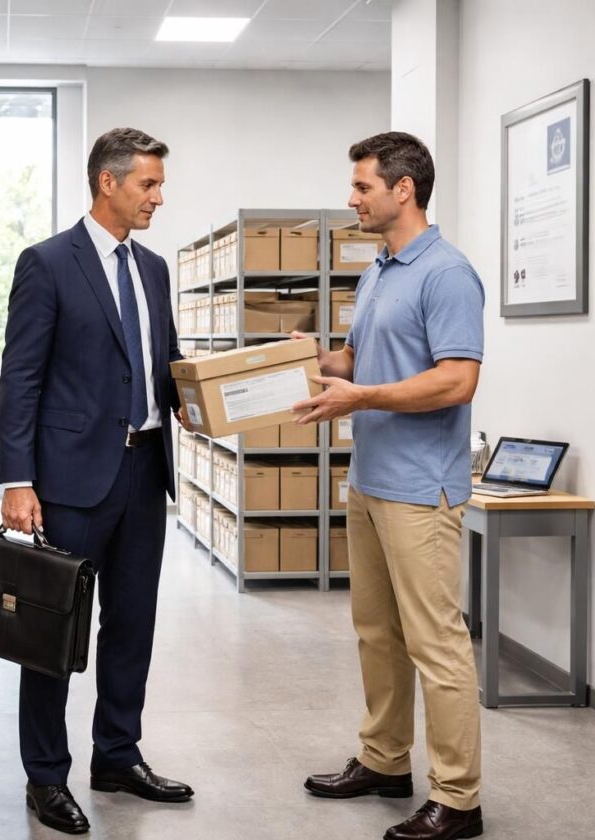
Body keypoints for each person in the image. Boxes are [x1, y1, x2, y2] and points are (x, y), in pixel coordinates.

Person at [0, 127, 193, 835]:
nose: (158, 197)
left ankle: (116, 753)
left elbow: (162, 361)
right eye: (149, 184)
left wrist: (199, 399)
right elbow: (19, 377)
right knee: (52, 633)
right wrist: (18, 479)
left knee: (132, 624)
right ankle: (46, 776)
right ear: (107, 182)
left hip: (145, 472)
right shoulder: (48, 263)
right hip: (70, 478)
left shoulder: (154, 268)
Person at [293, 132, 485, 840]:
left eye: (363, 187)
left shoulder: (447, 273)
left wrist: (361, 397)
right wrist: (307, 361)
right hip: (370, 483)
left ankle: (459, 800)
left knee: (436, 644)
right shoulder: (378, 270)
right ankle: (384, 759)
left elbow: (458, 378)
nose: (353, 199)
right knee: (376, 633)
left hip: (420, 490)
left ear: (404, 189)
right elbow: (354, 358)